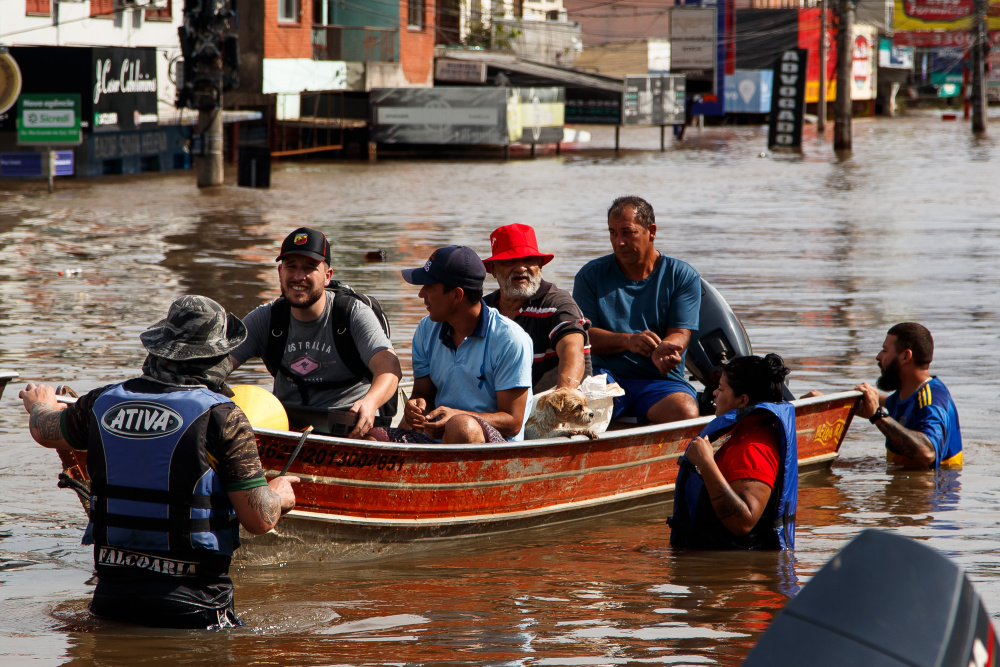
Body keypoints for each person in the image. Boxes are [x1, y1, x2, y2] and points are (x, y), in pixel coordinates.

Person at [19, 296, 299, 628]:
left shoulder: (101, 402)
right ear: (219, 357)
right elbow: (259, 519)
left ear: (159, 348)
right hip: (194, 606)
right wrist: (279, 495)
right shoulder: (223, 417)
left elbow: (44, 429)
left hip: (111, 602)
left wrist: (41, 403)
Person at [230, 227, 402, 438]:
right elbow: (218, 364)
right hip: (285, 431)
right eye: (290, 267)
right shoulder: (266, 318)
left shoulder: (352, 314)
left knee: (376, 439)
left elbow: (389, 367)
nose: (298, 277)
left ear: (327, 276)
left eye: (309, 268)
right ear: (280, 273)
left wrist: (370, 402)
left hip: (350, 430)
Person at [367, 245, 534, 444]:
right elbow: (422, 393)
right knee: (372, 437)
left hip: (494, 446)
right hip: (438, 438)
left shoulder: (510, 339)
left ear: (456, 295)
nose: (421, 294)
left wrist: (454, 417)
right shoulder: (426, 329)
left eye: (429, 286)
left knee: (461, 427)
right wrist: (418, 409)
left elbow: (513, 422)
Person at [573, 195, 701, 424]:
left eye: (628, 232)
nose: (619, 242)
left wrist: (666, 349)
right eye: (613, 233)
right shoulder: (590, 275)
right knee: (585, 412)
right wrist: (628, 341)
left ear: (651, 231)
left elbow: (681, 333)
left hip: (660, 381)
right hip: (607, 377)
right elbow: (583, 336)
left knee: (686, 411)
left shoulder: (682, 275)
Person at [668, 354, 797, 551]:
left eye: (720, 389)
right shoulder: (748, 435)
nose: (714, 394)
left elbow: (743, 522)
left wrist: (706, 464)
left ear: (742, 400)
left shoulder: (753, 449)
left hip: (741, 572)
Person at [482, 223, 592, 392]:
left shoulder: (557, 304)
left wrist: (563, 398)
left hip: (554, 406)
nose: (520, 268)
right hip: (502, 406)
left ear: (540, 266)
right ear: (494, 270)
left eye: (528, 260)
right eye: (510, 261)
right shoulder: (484, 310)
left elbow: (572, 351)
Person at [856, 322, 962, 468]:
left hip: (931, 489)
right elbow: (875, 404)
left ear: (906, 356)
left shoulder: (932, 401)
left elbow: (927, 454)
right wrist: (826, 401)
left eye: (885, 351)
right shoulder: (905, 395)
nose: (878, 356)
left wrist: (878, 417)